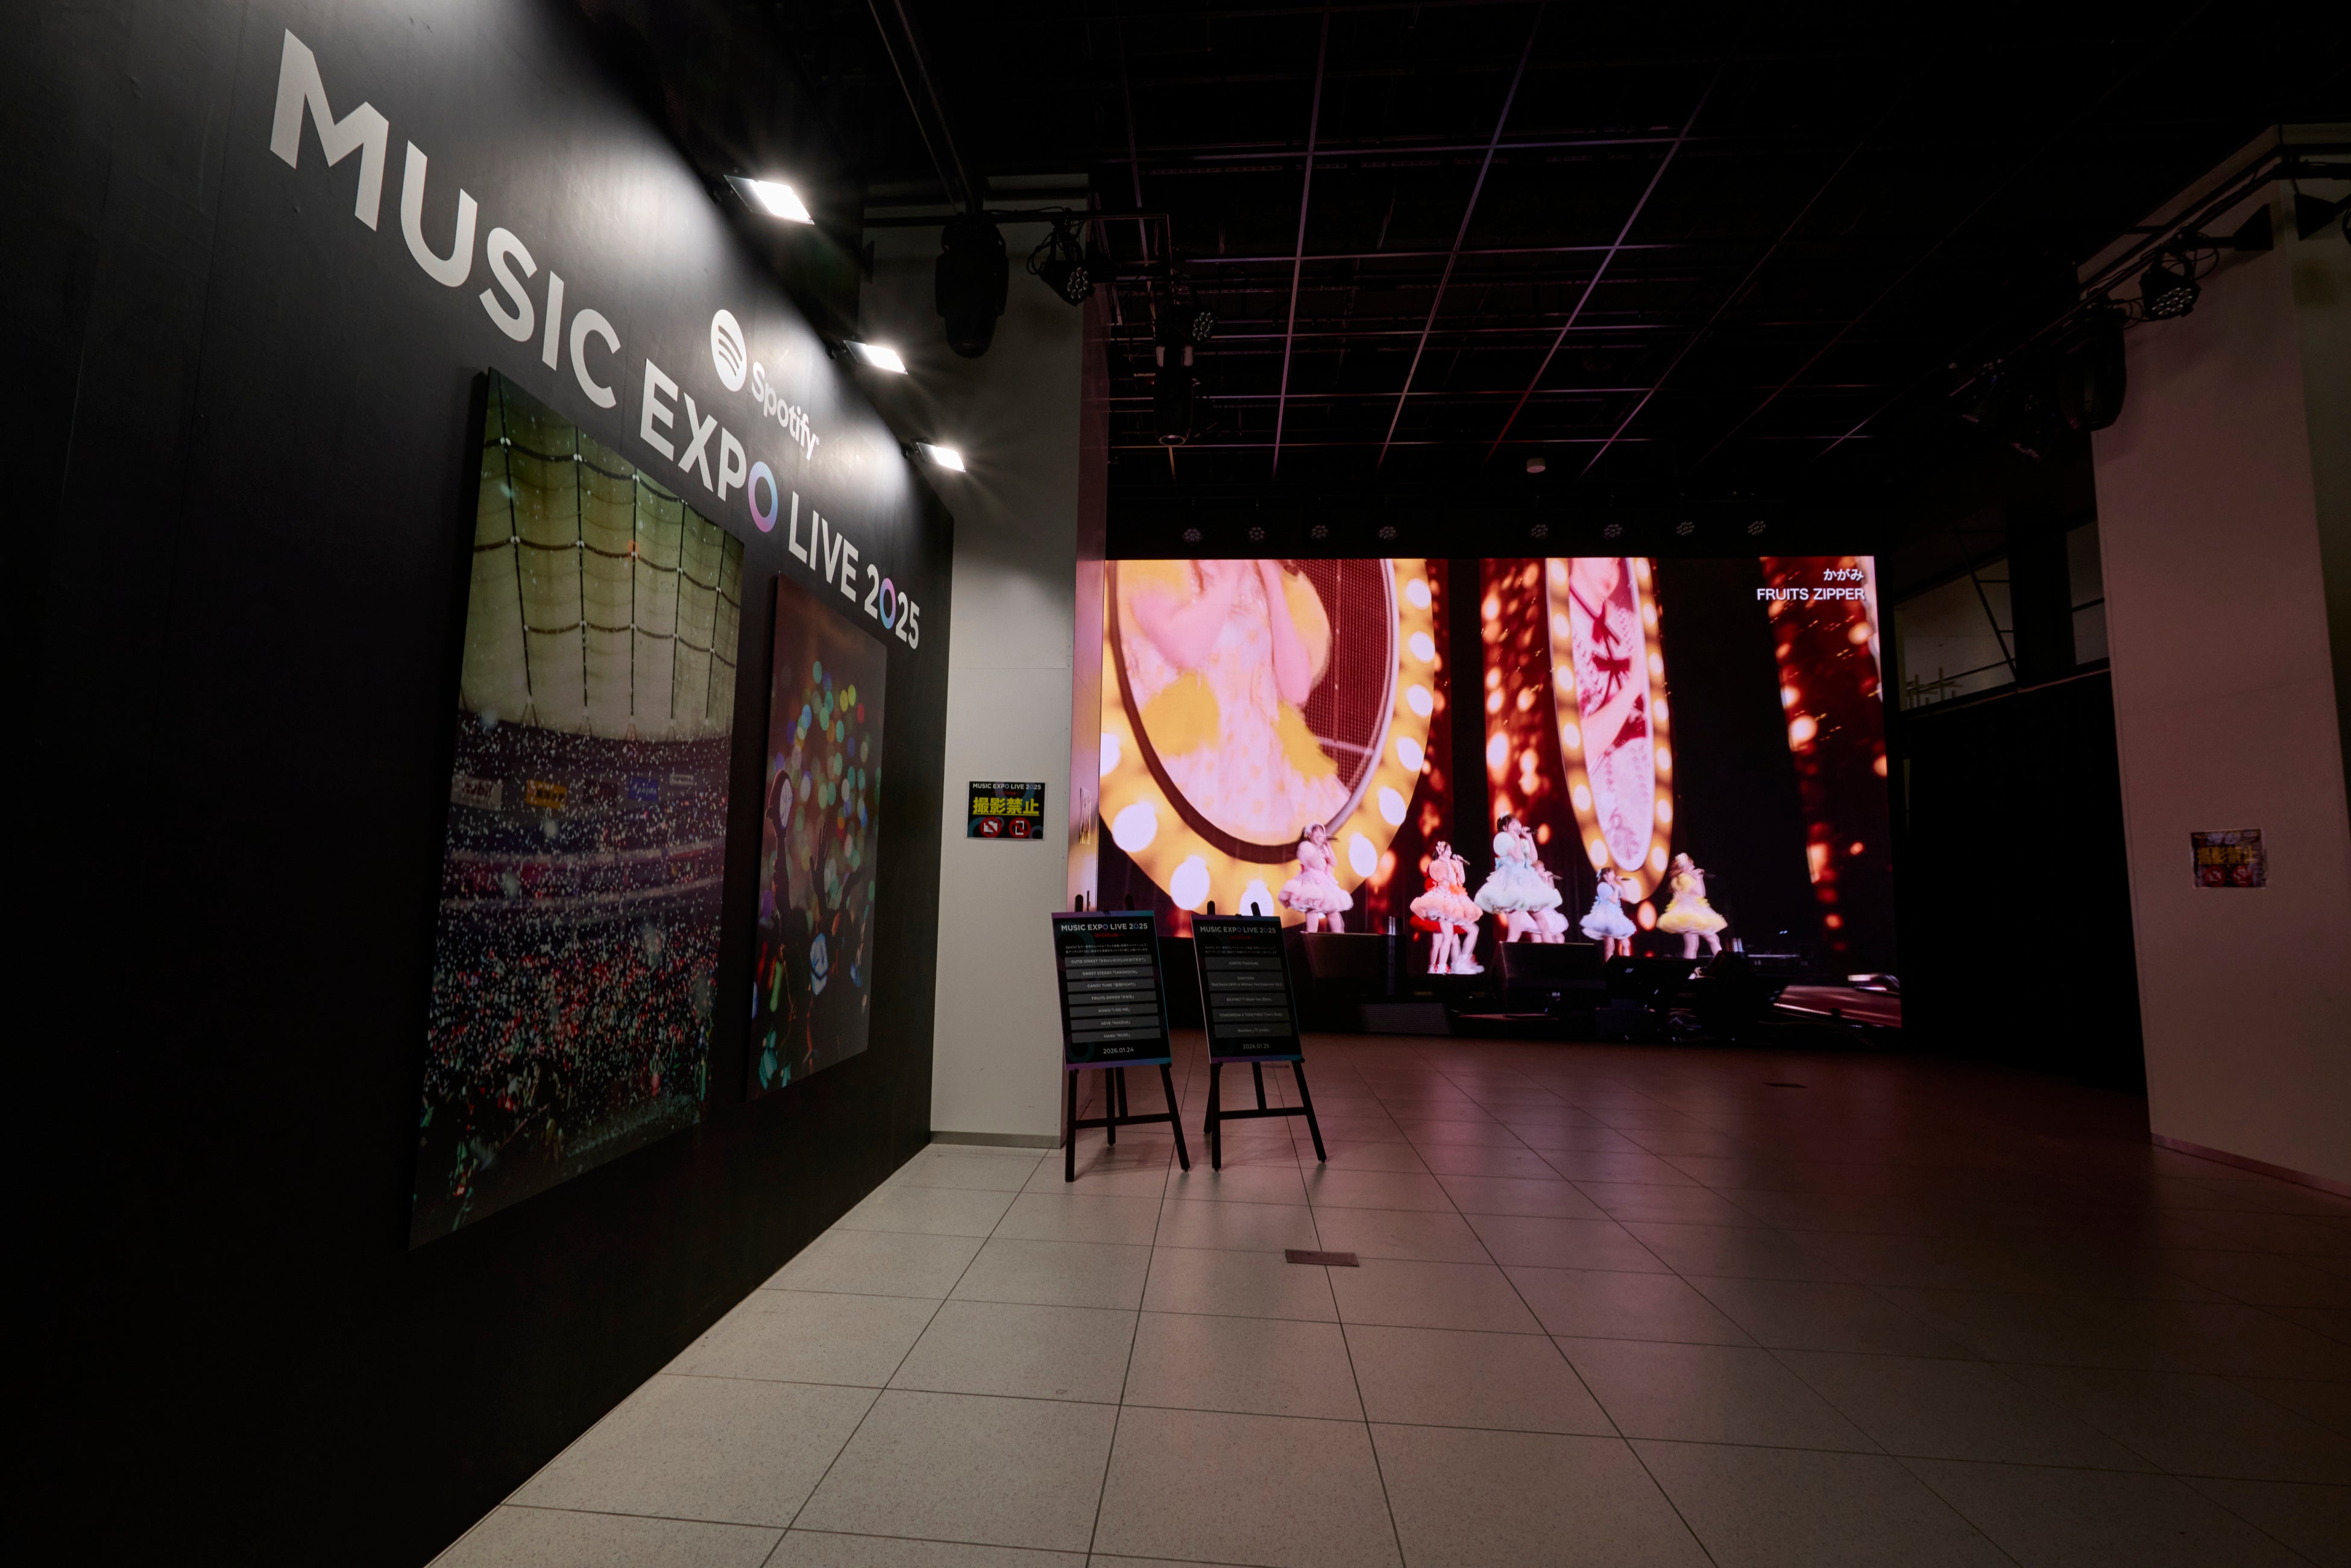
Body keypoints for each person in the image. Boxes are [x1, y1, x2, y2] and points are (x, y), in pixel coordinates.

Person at [1122, 558, 1347, 844]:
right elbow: (1185, 650)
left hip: (1261, 761)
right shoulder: (1162, 562)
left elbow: (1296, 689)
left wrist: (1273, 580)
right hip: (1188, 743)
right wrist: (1229, 579)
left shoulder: (1282, 582)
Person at [1473, 813, 1561, 943]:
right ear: (1505, 828)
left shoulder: (1522, 842)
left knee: (1543, 924)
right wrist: (1516, 838)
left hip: (1526, 883)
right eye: (1513, 824)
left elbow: (1534, 859)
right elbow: (1518, 858)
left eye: (1518, 823)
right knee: (1515, 933)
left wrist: (1529, 838)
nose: (1518, 825)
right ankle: (1504, 956)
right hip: (1511, 885)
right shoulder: (1503, 840)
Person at [1409, 841, 1482, 974]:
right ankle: (1441, 967)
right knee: (1448, 937)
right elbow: (1450, 880)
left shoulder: (1453, 863)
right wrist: (1448, 863)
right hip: (1445, 901)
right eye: (1447, 850)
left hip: (1457, 899)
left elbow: (1461, 881)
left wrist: (1460, 864)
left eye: (1450, 850)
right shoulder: (1437, 864)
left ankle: (1462, 962)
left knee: (1473, 930)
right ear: (1441, 851)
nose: (1450, 853)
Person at [1278, 820, 1351, 933]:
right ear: (1310, 835)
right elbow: (1315, 863)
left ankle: (1339, 942)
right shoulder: (1305, 846)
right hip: (1311, 885)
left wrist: (1328, 847)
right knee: (1312, 925)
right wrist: (1319, 849)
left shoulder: (1324, 848)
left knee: (1337, 923)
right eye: (1317, 832)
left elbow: (1333, 863)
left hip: (1325, 885)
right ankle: (1311, 943)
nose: (1320, 835)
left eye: (1322, 832)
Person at [1656, 852, 1728, 959]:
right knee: (1707, 940)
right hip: (1691, 914)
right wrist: (1699, 878)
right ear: (1684, 868)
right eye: (1691, 865)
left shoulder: (1682, 878)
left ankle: (1696, 966)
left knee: (1697, 943)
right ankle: (1721, 963)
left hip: (1691, 913)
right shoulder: (1685, 878)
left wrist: (1697, 877)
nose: (1693, 867)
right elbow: (1700, 894)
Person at [1579, 866, 1637, 960]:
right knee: (1610, 946)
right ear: (1605, 876)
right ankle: (1609, 966)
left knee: (1626, 944)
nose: (1614, 874)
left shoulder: (1615, 885)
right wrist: (1617, 889)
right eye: (1612, 873)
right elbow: (1613, 900)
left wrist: (1622, 883)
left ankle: (1626, 964)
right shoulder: (1602, 886)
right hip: (1606, 916)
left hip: (1617, 915)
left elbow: (1626, 897)